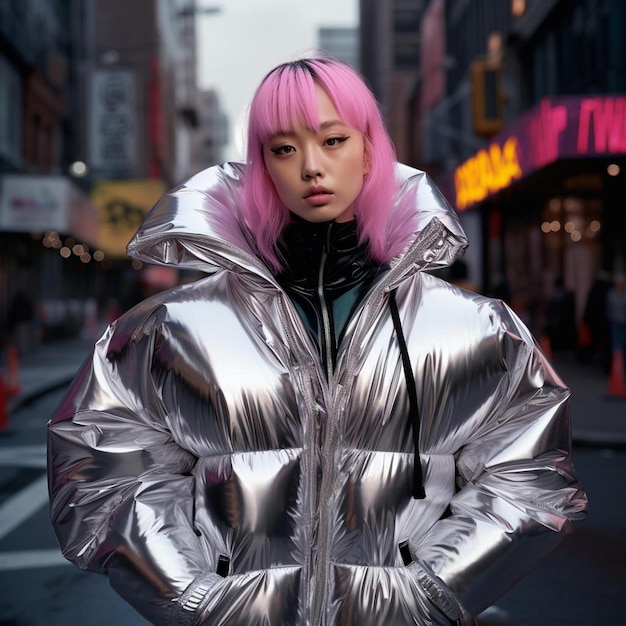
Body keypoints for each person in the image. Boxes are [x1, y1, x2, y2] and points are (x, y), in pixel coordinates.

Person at [47, 57, 587, 626]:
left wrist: (427, 595)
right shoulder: (174, 328)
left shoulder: (472, 328)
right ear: (260, 165)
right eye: (283, 149)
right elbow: (100, 476)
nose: (311, 167)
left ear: (371, 149)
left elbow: (533, 480)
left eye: (333, 140)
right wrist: (199, 599)